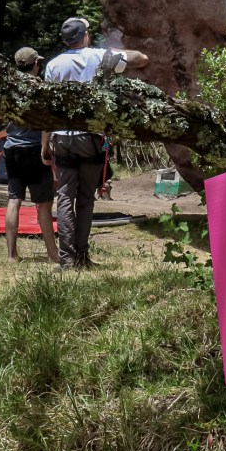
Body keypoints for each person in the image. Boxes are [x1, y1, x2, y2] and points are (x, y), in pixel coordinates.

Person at [44, 17, 148, 269]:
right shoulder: (100, 57)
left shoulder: (53, 65)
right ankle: (82, 256)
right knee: (86, 199)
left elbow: (48, 109)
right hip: (92, 137)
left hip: (62, 137)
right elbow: (142, 59)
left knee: (65, 197)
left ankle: (67, 259)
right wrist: (116, 52)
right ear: (85, 36)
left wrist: (44, 145)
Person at [3, 47, 58, 263]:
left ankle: (11, 255)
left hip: (11, 147)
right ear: (35, 64)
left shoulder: (8, 89)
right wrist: (46, 149)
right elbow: (46, 123)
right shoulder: (39, 89)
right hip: (34, 148)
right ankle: (53, 254)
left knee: (14, 199)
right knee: (44, 203)